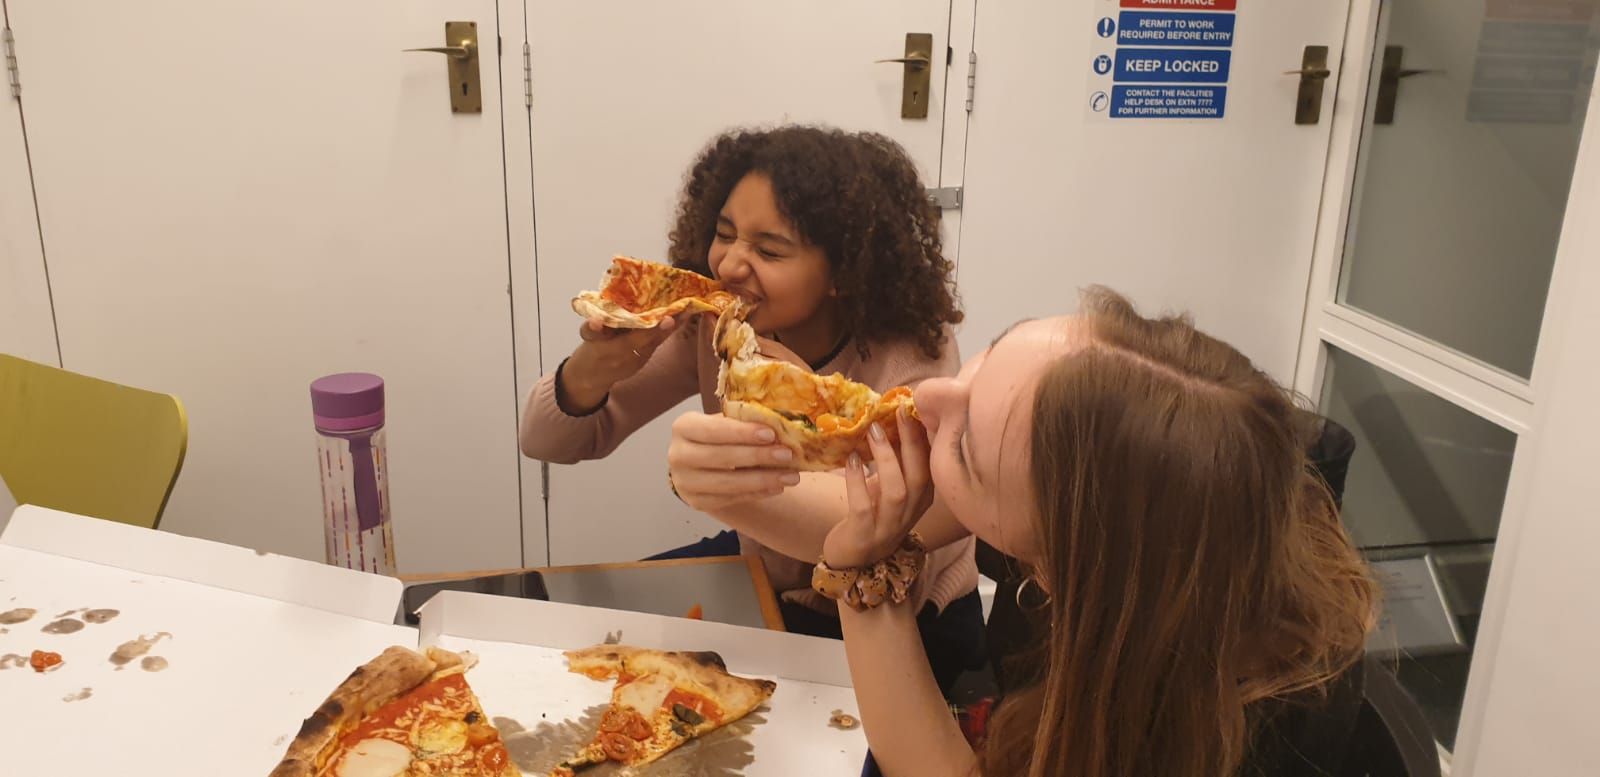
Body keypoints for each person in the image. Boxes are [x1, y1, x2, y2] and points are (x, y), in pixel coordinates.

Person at [671, 287, 1379, 776]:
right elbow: (865, 507)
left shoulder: (1201, 724)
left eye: (966, 449)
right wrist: (722, 480)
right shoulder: (1166, 503)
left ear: (1058, 570)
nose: (925, 396)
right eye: (989, 359)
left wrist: (861, 567)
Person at [520, 125, 982, 690]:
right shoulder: (716, 325)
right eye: (724, 233)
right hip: (766, 574)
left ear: (842, 271)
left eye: (768, 250)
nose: (731, 264)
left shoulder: (911, 349)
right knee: (577, 650)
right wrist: (596, 369)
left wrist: (767, 420)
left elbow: (885, 539)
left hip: (903, 609)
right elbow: (544, 443)